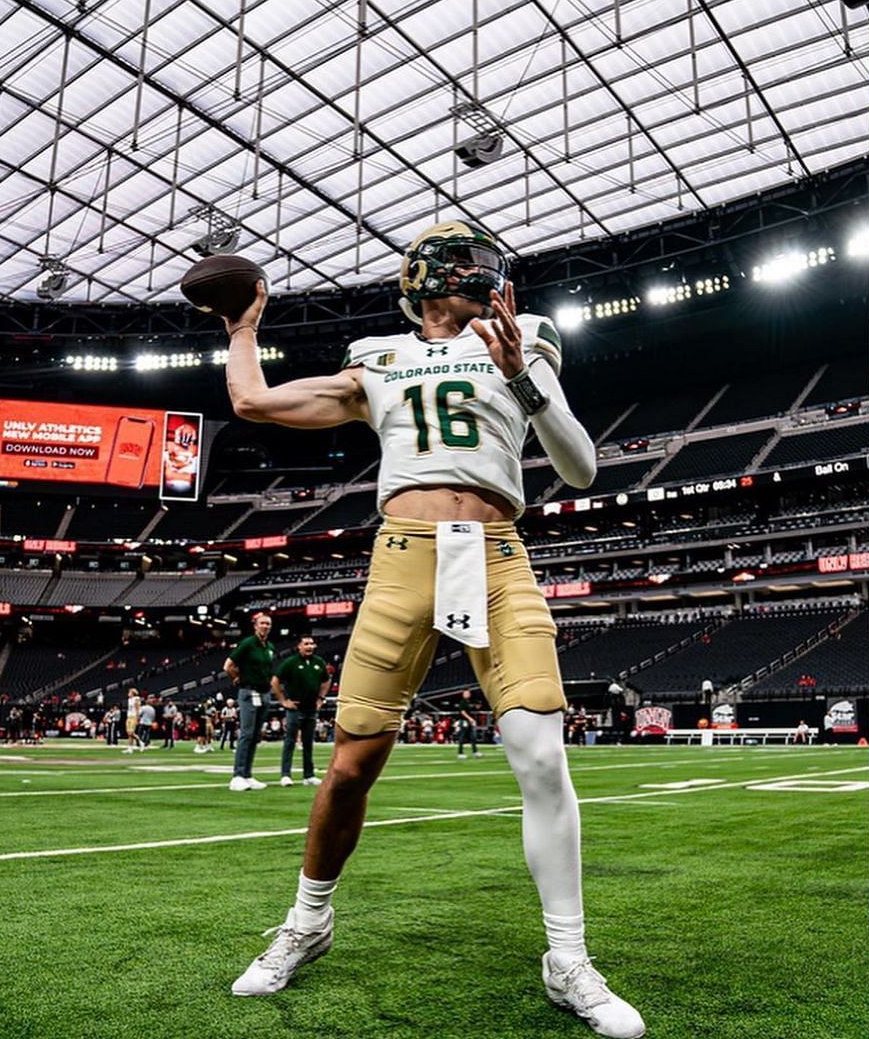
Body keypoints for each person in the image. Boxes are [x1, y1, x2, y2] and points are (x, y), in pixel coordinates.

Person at [222, 220, 641, 1036]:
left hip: (495, 552)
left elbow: (580, 466)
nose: (487, 276)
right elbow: (250, 401)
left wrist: (521, 377)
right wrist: (244, 331)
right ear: (426, 281)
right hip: (404, 555)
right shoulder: (379, 354)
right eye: (469, 266)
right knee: (351, 766)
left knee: (540, 751)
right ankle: (307, 924)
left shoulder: (527, 337)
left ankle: (569, 958)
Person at [224, 614, 277, 791]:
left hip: (264, 692)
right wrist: (237, 679)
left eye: (268, 624)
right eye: (262, 623)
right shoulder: (247, 643)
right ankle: (237, 775)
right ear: (255, 625)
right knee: (246, 734)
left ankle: (247, 774)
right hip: (249, 691)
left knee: (255, 735)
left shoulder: (269, 646)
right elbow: (228, 665)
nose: (265, 626)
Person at [274, 636, 330, 787]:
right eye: (306, 644)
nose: (309, 646)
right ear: (299, 646)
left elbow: (326, 680)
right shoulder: (290, 662)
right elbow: (275, 681)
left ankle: (309, 775)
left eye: (311, 643)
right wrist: (283, 701)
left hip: (311, 707)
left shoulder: (319, 662)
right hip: (295, 707)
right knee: (290, 741)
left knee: (308, 742)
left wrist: (321, 699)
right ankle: (285, 774)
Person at [455, 689, 481, 759]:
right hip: (464, 721)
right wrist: (470, 718)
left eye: (468, 693)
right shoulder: (462, 702)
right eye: (466, 693)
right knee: (462, 737)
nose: (467, 694)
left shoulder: (469, 702)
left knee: (473, 737)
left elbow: (474, 709)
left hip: (469, 721)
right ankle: (460, 752)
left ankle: (475, 751)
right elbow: (463, 712)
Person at [123, 688, 141, 753]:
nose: (128, 693)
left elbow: (137, 709)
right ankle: (130, 748)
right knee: (128, 733)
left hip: (133, 716)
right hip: (129, 716)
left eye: (130, 692)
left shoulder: (136, 699)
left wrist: (137, 718)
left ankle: (140, 742)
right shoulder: (129, 700)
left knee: (131, 732)